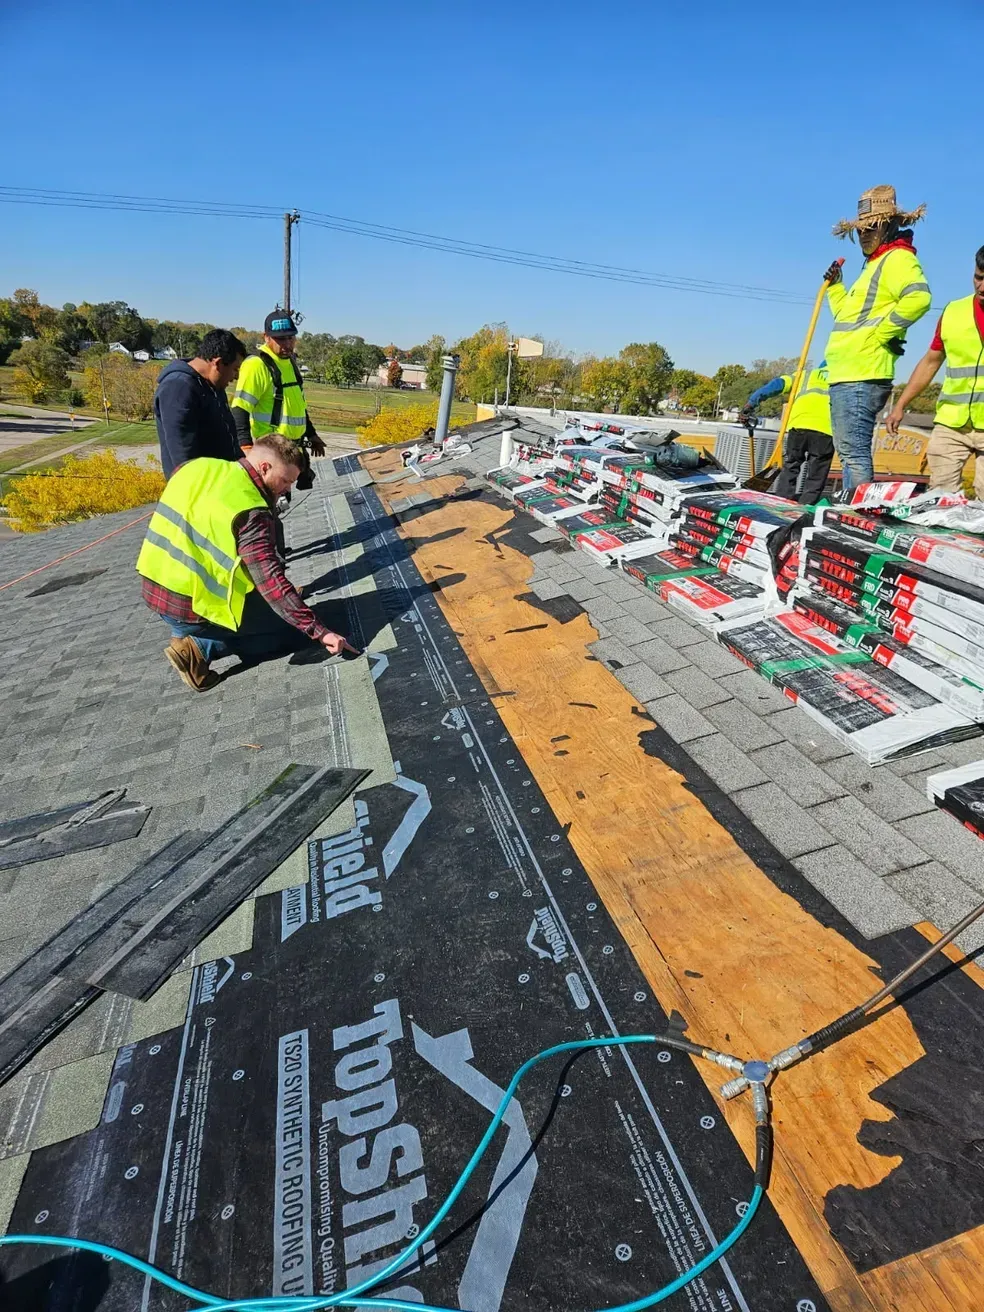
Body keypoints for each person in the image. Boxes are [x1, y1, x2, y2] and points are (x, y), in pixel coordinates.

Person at [137, 435, 358, 691]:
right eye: (286, 481)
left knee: (285, 609)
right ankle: (199, 648)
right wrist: (319, 631)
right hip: (196, 608)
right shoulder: (251, 510)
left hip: (156, 592)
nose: (287, 489)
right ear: (264, 467)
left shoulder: (195, 467)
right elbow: (270, 579)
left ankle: (196, 631)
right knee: (293, 631)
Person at [821, 185, 932, 494]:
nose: (864, 236)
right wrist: (835, 287)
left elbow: (919, 298)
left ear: (890, 225)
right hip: (851, 372)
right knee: (849, 454)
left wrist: (882, 333)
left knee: (854, 456)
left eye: (872, 228)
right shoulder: (873, 265)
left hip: (862, 373)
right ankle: (854, 515)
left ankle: (858, 519)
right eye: (861, 230)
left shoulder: (897, 259)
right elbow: (846, 315)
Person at [886, 247, 984, 500]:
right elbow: (931, 361)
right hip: (951, 423)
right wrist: (901, 405)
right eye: (978, 277)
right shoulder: (953, 312)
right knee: (939, 498)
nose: (982, 286)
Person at [230, 312, 326, 483]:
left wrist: (311, 435)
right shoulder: (257, 365)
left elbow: (298, 407)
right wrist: (247, 449)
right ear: (266, 337)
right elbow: (240, 410)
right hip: (271, 453)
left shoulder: (289, 363)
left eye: (291, 338)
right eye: (280, 339)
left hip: (292, 450)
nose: (287, 344)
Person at [153, 329, 247, 478]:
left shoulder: (213, 384)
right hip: (199, 491)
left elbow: (228, 438)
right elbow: (184, 457)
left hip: (223, 482)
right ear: (218, 363)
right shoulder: (178, 388)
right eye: (235, 369)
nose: (236, 376)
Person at [742, 362, 833, 503]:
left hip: (798, 427)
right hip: (826, 431)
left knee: (791, 466)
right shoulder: (842, 381)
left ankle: (781, 502)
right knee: (816, 476)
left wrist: (752, 402)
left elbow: (776, 385)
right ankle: (805, 509)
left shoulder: (805, 375)